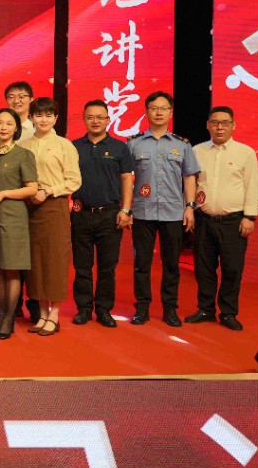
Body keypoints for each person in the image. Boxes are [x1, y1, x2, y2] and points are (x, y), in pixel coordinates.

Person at [128, 91, 200, 327]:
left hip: (173, 212)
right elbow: (126, 178)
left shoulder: (182, 145)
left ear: (170, 112)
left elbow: (189, 177)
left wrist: (189, 207)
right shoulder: (133, 143)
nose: (158, 112)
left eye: (163, 108)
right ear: (146, 112)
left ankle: (170, 309)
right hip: (142, 212)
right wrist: (126, 208)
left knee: (171, 265)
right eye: (154, 108)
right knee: (142, 264)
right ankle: (142, 308)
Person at [188, 106, 258, 332]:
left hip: (233, 221)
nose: (220, 127)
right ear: (208, 125)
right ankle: (205, 309)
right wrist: (189, 209)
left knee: (232, 269)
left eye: (225, 123)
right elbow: (191, 183)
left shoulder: (245, 153)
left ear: (233, 125)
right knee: (203, 268)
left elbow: (252, 186)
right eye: (215, 122)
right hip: (204, 219)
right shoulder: (197, 151)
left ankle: (228, 312)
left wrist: (249, 217)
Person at [70, 100, 134, 329]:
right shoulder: (74, 147)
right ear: (84, 119)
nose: (95, 121)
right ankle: (83, 309)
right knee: (82, 266)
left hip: (110, 214)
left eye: (100, 117)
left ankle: (104, 310)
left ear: (108, 119)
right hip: (81, 214)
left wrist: (126, 209)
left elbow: (126, 179)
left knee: (107, 267)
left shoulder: (119, 148)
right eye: (90, 117)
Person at [21, 98, 81, 337]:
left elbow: (74, 180)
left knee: (55, 260)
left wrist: (48, 191)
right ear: (31, 118)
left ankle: (54, 314)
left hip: (54, 206)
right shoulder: (23, 145)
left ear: (56, 118)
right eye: (39, 115)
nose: (43, 119)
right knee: (36, 261)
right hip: (29, 208)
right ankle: (42, 313)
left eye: (48, 115)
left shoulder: (64, 145)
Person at [0, 108, 39, 339]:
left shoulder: (23, 154)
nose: (3, 127)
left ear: (16, 128)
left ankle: (8, 319)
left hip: (13, 217)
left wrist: (4, 194)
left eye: (9, 124)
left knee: (11, 269)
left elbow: (31, 188)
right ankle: (1, 315)